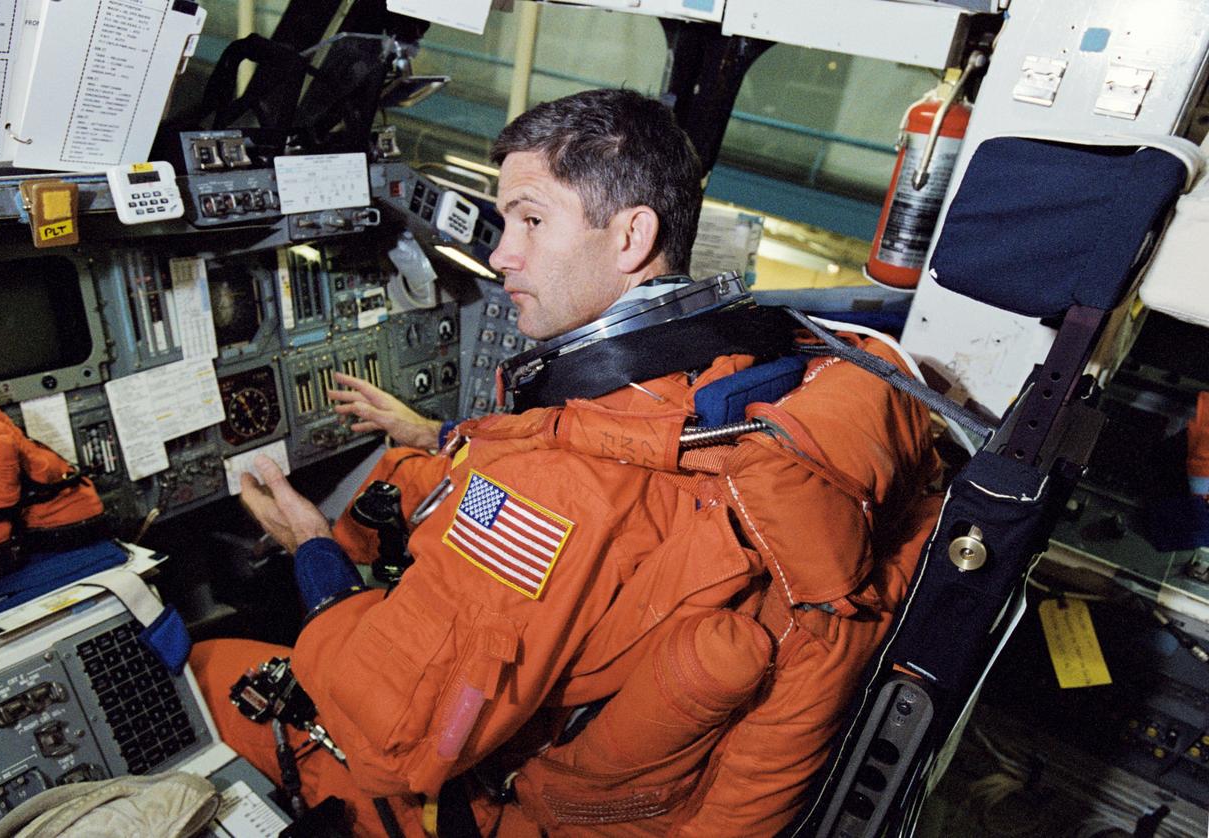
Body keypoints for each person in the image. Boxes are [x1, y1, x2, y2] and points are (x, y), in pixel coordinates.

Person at [191, 87, 940, 837]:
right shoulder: (754, 370)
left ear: (630, 237)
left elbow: (390, 740)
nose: (498, 253)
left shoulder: (552, 489)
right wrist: (441, 437)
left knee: (208, 667)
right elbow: (621, 442)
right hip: (643, 789)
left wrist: (313, 555)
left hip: (498, 807)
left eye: (532, 220)